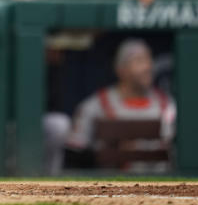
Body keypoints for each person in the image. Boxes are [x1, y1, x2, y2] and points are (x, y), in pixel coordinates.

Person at [66, 39, 174, 169]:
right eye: (139, 61)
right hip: (111, 183)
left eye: (148, 59)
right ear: (120, 69)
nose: (148, 67)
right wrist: (112, 147)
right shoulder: (96, 104)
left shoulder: (167, 103)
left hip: (162, 182)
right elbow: (74, 152)